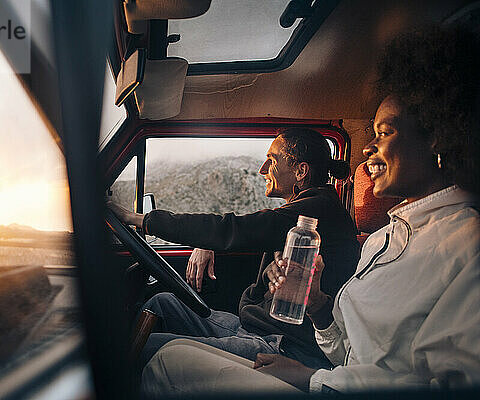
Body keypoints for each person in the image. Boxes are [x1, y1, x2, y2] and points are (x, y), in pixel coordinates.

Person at [141, 25, 480, 396]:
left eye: (383, 133)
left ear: (436, 135)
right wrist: (318, 304)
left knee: (164, 359)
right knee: (165, 321)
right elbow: (348, 350)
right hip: (321, 373)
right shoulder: (386, 237)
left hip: (314, 373)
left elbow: (452, 387)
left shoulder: (466, 245)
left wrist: (310, 377)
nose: (368, 148)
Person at [110, 127, 360, 369]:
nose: (262, 169)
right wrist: (207, 245)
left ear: (300, 171)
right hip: (258, 327)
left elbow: (233, 229)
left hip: (282, 345)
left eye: (271, 161)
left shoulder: (316, 212)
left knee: (146, 347)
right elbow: (245, 231)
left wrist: (140, 219)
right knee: (163, 303)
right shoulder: (307, 209)